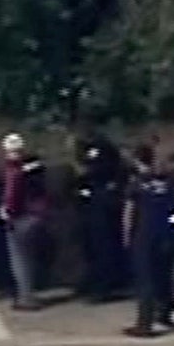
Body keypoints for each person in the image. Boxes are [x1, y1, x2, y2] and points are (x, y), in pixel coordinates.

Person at [122, 144, 174, 338]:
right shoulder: (169, 181)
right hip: (167, 232)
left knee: (145, 278)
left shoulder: (137, 182)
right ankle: (164, 314)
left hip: (144, 234)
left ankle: (144, 323)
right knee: (164, 274)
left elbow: (130, 212)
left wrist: (126, 235)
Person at [72, 126, 128, 300]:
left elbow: (100, 172)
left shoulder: (101, 150)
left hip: (101, 204)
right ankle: (94, 281)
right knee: (92, 245)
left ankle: (103, 286)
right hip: (93, 204)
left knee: (102, 245)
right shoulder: (90, 150)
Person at [0, 133, 48, 311]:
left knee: (19, 260)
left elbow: (11, 195)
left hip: (21, 217)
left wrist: (7, 213)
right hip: (38, 215)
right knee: (30, 257)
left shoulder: (14, 170)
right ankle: (30, 294)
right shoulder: (35, 168)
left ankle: (26, 298)